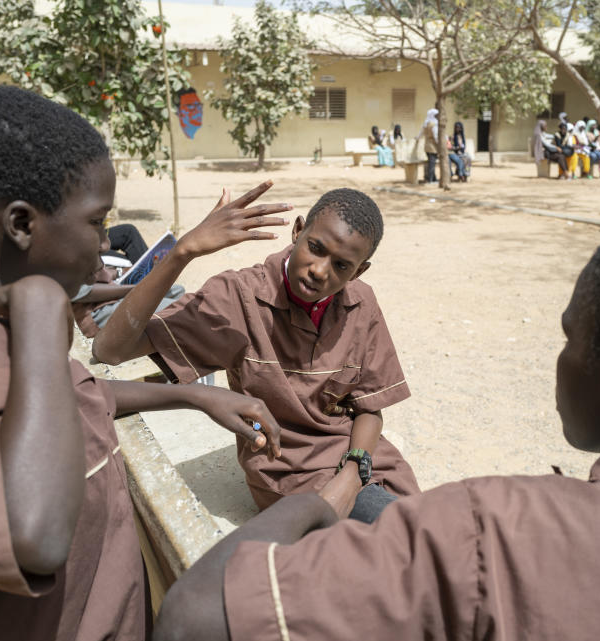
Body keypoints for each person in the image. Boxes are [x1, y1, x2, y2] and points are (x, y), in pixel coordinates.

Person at [152, 216, 600, 641]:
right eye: (314, 247)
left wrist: (324, 491)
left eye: (569, 338)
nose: (320, 268)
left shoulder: (488, 526)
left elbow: (192, 617)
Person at [0, 85, 289, 641]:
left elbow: (67, 398)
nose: (104, 245)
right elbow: (32, 538)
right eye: (96, 222)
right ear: (21, 225)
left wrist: (195, 395)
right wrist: (42, 307)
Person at [93, 188, 421, 524]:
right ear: (298, 231)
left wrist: (353, 474)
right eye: (315, 248)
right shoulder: (238, 297)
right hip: (295, 474)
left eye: (341, 266)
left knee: (438, 535)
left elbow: (369, 407)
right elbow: (110, 350)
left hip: (364, 459)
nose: (320, 271)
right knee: (397, 543)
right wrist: (183, 251)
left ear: (359, 272)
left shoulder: (361, 303)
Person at [421, 108, 438, 183]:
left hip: (426, 145)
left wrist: (417, 138)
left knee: (431, 162)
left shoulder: (426, 123)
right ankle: (430, 179)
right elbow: (435, 136)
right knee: (432, 163)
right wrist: (439, 144)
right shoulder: (433, 124)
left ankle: (433, 178)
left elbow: (420, 133)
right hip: (432, 146)